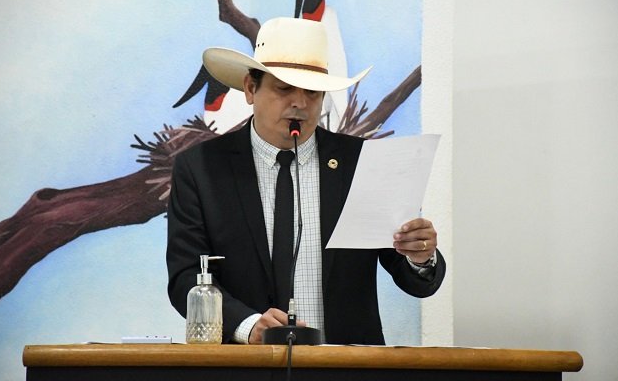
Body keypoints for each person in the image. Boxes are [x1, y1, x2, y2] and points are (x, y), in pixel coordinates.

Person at [167, 17, 445, 345]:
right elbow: (185, 276)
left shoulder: (360, 162)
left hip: (346, 363)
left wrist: (420, 256)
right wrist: (249, 326)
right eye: (284, 88)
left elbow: (414, 279)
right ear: (250, 89)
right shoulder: (201, 168)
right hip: (244, 363)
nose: (299, 103)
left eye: (312, 91)